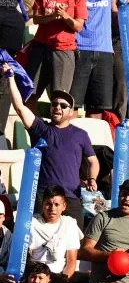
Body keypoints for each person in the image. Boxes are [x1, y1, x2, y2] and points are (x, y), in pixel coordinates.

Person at [4, 65, 99, 227]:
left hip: (71, 197)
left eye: (63, 106)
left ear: (71, 112)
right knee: (36, 239)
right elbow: (19, 107)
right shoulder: (41, 129)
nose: (57, 107)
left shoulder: (81, 134)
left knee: (75, 241)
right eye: (54, 104)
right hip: (44, 197)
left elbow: (93, 161)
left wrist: (92, 178)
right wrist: (10, 77)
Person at [23, 0, 84, 108]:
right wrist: (53, 16)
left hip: (63, 49)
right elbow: (36, 19)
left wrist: (64, 15)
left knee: (60, 99)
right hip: (40, 47)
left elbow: (78, 26)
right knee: (30, 95)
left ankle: (55, 119)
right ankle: (33, 120)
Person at [29, 186, 80, 278]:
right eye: (48, 204)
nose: (52, 209)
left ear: (64, 206)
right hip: (35, 277)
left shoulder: (69, 224)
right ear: (42, 205)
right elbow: (25, 257)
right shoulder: (31, 223)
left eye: (57, 204)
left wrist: (63, 281)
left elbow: (71, 261)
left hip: (58, 276)